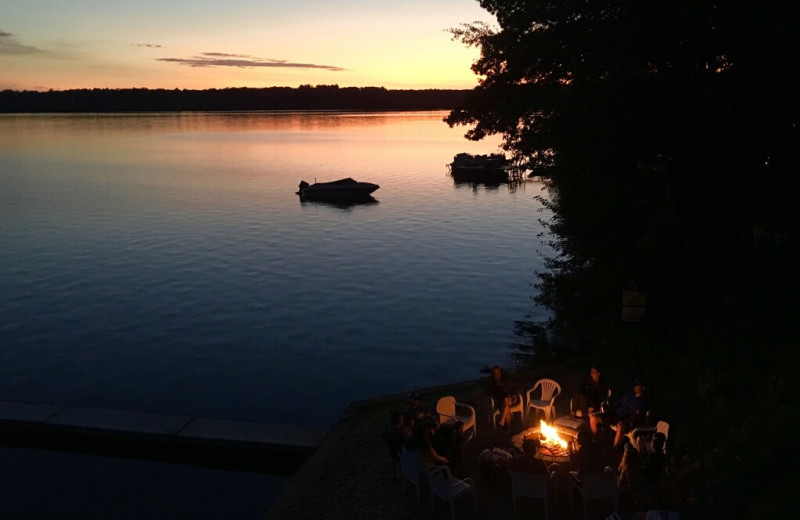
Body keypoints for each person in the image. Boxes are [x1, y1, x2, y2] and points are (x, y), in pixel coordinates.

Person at [572, 365, 611, 435]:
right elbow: (581, 389)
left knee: (583, 397)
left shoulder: (602, 384)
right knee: (578, 394)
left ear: (599, 374)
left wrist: (593, 406)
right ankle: (573, 412)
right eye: (591, 372)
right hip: (585, 402)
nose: (591, 374)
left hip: (594, 404)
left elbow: (601, 398)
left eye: (594, 372)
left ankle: (585, 420)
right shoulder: (588, 381)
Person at [613, 378, 651, 447]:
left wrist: (625, 421)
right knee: (599, 418)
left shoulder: (644, 401)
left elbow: (638, 415)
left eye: (637, 386)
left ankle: (614, 449)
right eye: (634, 385)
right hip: (617, 415)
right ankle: (600, 445)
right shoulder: (629, 394)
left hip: (628, 420)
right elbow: (618, 403)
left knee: (621, 426)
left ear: (643, 387)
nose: (634, 387)